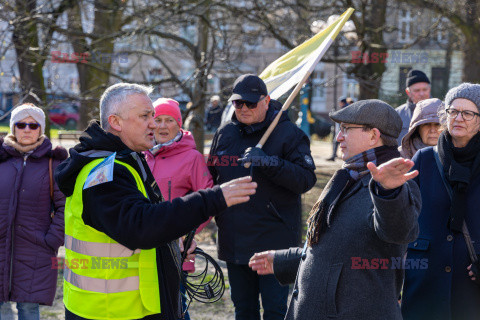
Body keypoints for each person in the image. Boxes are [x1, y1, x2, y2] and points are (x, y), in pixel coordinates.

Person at [54, 83, 257, 320]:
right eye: (145, 116)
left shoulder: (125, 159)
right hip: (111, 312)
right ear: (116, 122)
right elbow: (141, 226)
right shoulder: (104, 173)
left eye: (153, 115)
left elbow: (146, 220)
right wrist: (212, 199)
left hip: (127, 308)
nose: (153, 123)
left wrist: (173, 240)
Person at [249, 99, 421, 320]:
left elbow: (399, 233)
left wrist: (388, 192)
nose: (338, 137)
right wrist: (286, 260)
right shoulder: (348, 175)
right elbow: (335, 249)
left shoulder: (397, 186)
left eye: (346, 129)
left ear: (373, 135)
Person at [208, 74, 317, 320]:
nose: (244, 108)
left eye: (251, 103)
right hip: (234, 239)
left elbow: (306, 180)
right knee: (243, 310)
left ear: (267, 101)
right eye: (238, 103)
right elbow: (212, 177)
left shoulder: (289, 133)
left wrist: (270, 162)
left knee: (275, 311)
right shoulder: (224, 133)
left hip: (274, 241)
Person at [401, 83, 480, 320]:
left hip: (471, 287)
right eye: (453, 111)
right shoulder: (424, 159)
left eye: (468, 113)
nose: (459, 118)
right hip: (425, 282)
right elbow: (401, 216)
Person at [144, 97, 214, 320]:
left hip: (176, 247)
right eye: (158, 119)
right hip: (142, 245)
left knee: (175, 307)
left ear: (179, 124)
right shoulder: (139, 154)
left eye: (169, 120)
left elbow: (208, 198)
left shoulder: (191, 157)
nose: (163, 126)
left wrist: (187, 233)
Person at [0, 103, 67, 320]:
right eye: (21, 124)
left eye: (33, 125)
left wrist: (51, 240)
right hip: (1, 247)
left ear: (41, 129)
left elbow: (65, 207)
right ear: (13, 128)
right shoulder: (2, 160)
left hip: (36, 250)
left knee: (28, 309)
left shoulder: (53, 163)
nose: (27, 129)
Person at [396, 69, 431, 144]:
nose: (422, 94)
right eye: (417, 90)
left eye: (425, 89)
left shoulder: (442, 110)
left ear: (429, 89)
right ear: (408, 92)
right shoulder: (397, 114)